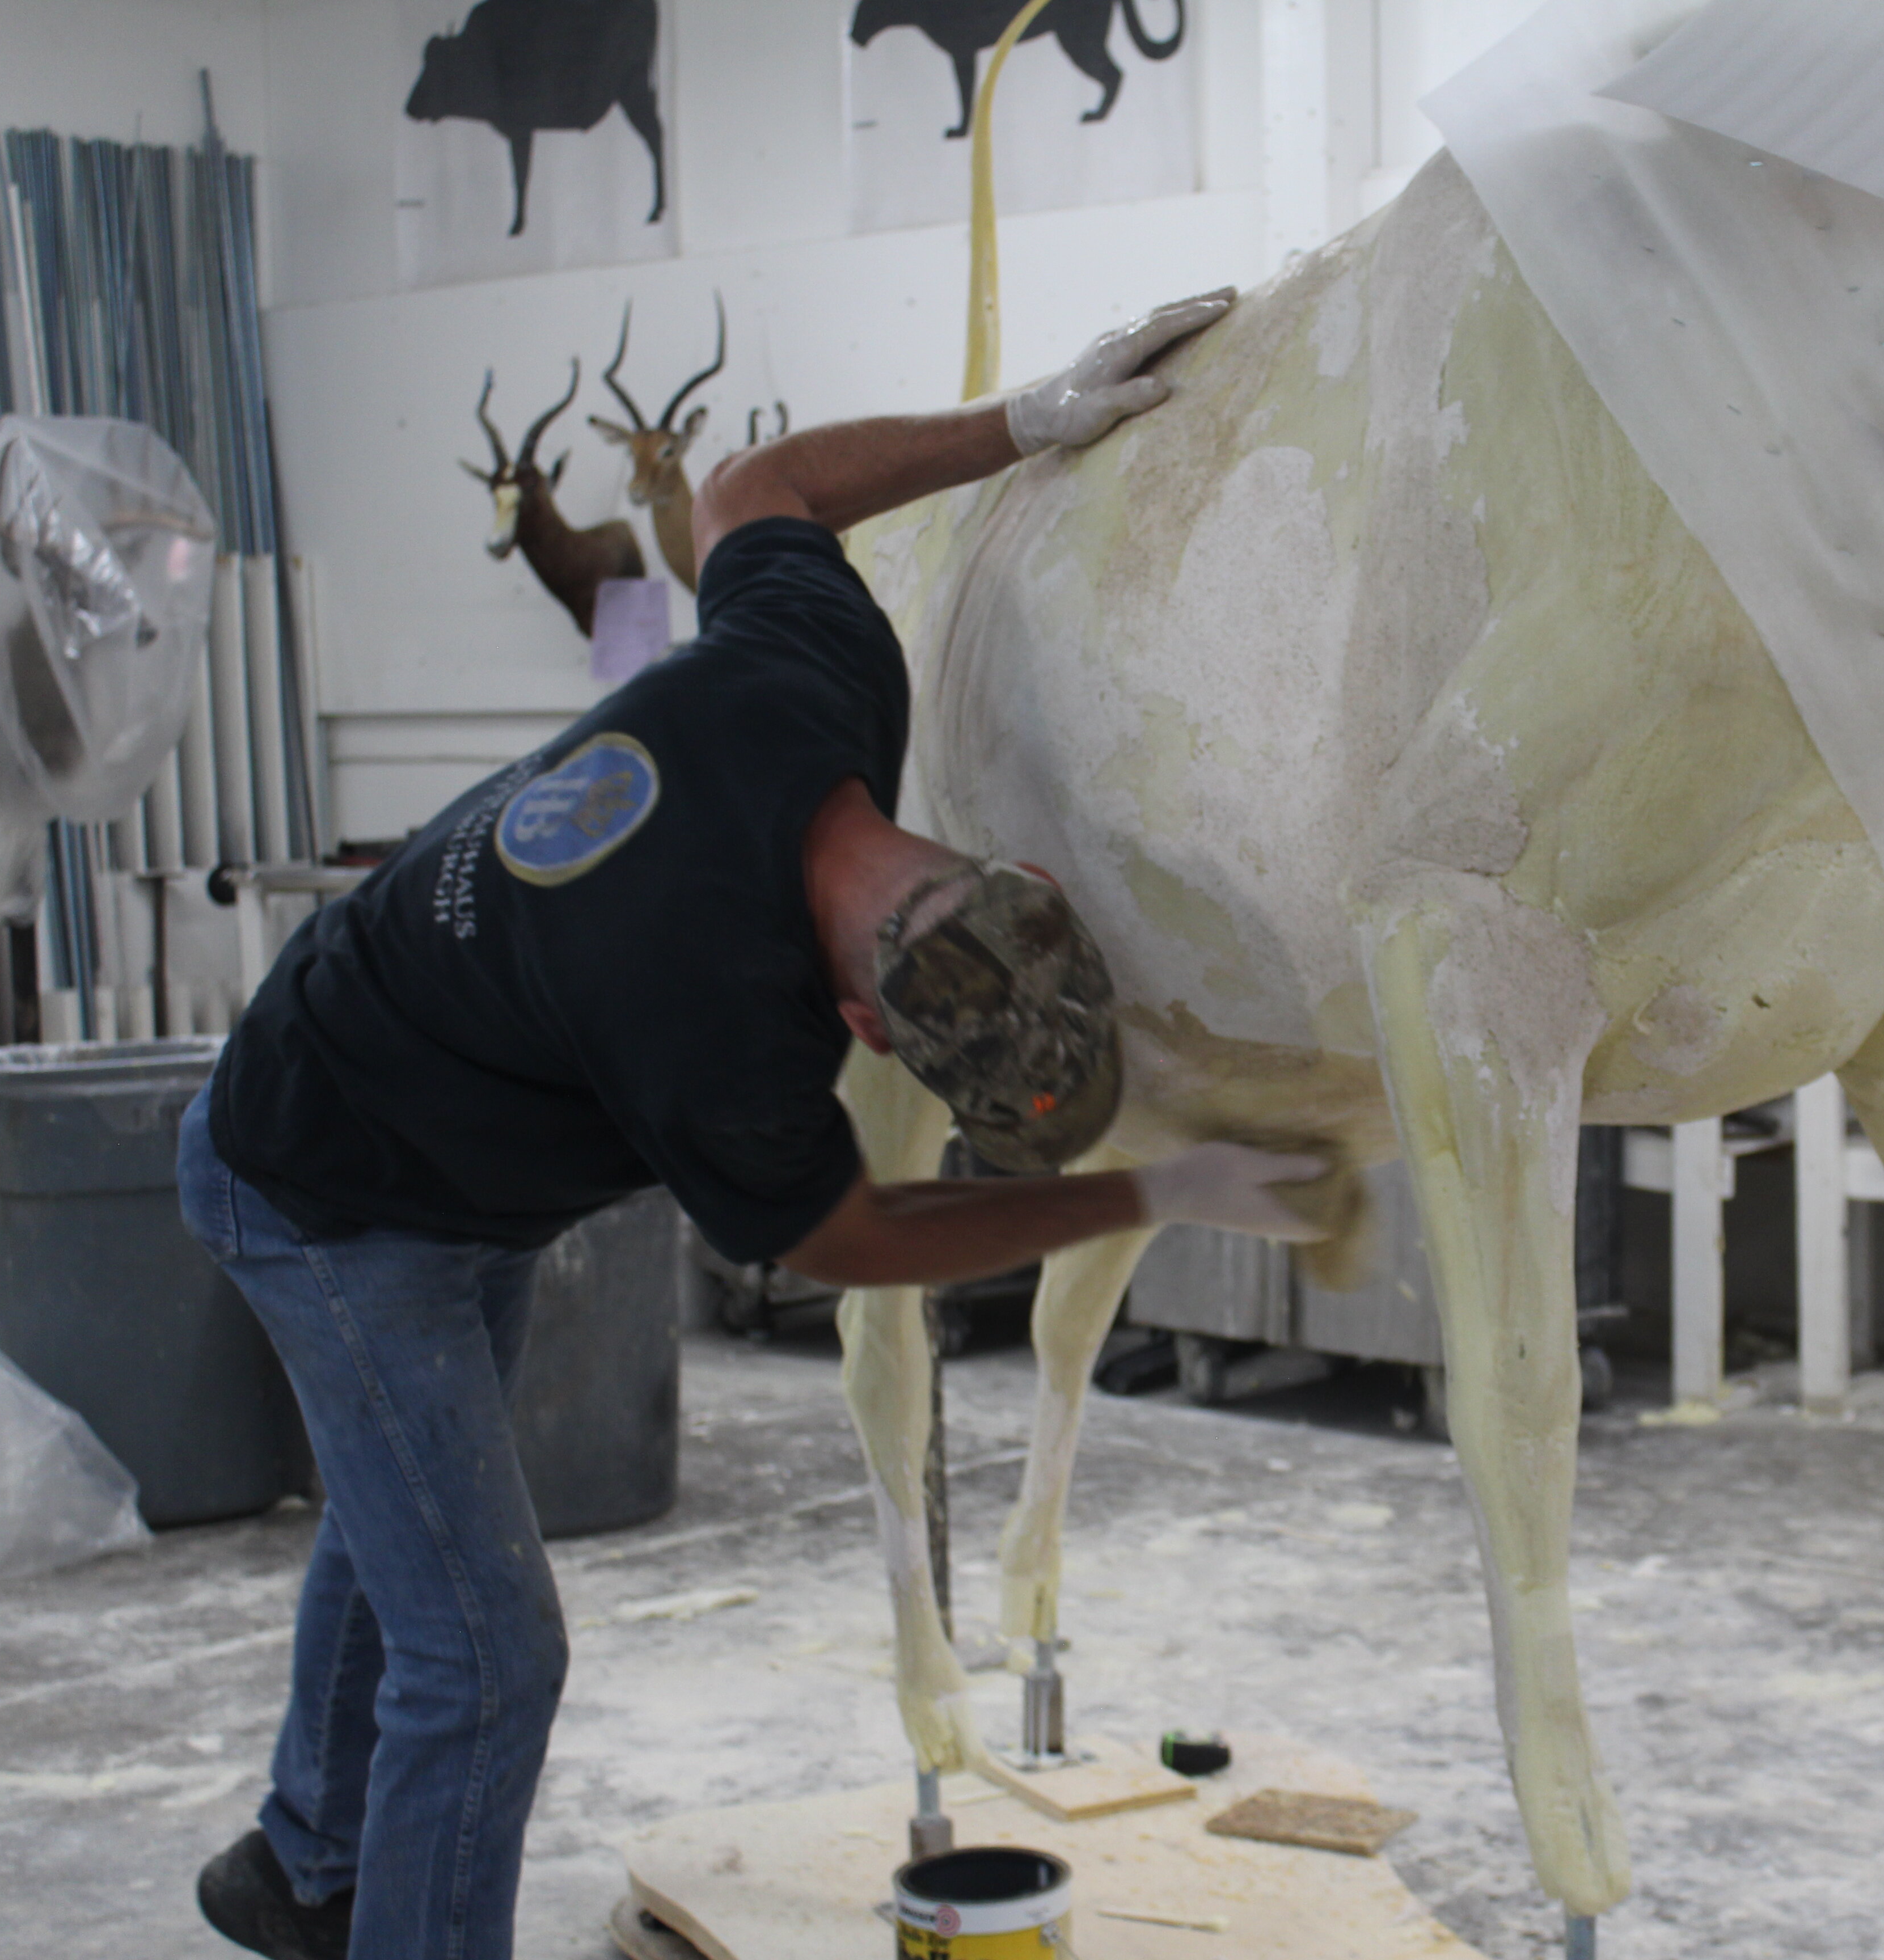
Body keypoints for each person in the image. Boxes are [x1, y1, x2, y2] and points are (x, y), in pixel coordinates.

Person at [181, 290, 1321, 1960]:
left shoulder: (817, 677)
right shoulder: (709, 1018)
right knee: (488, 1653)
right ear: (866, 1025)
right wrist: (1154, 1188)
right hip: (324, 1185)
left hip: (411, 1099)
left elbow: (750, 491)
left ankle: (301, 1864)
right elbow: (853, 1239)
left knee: (402, 1514)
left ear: (1010, 871)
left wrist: (1021, 419)